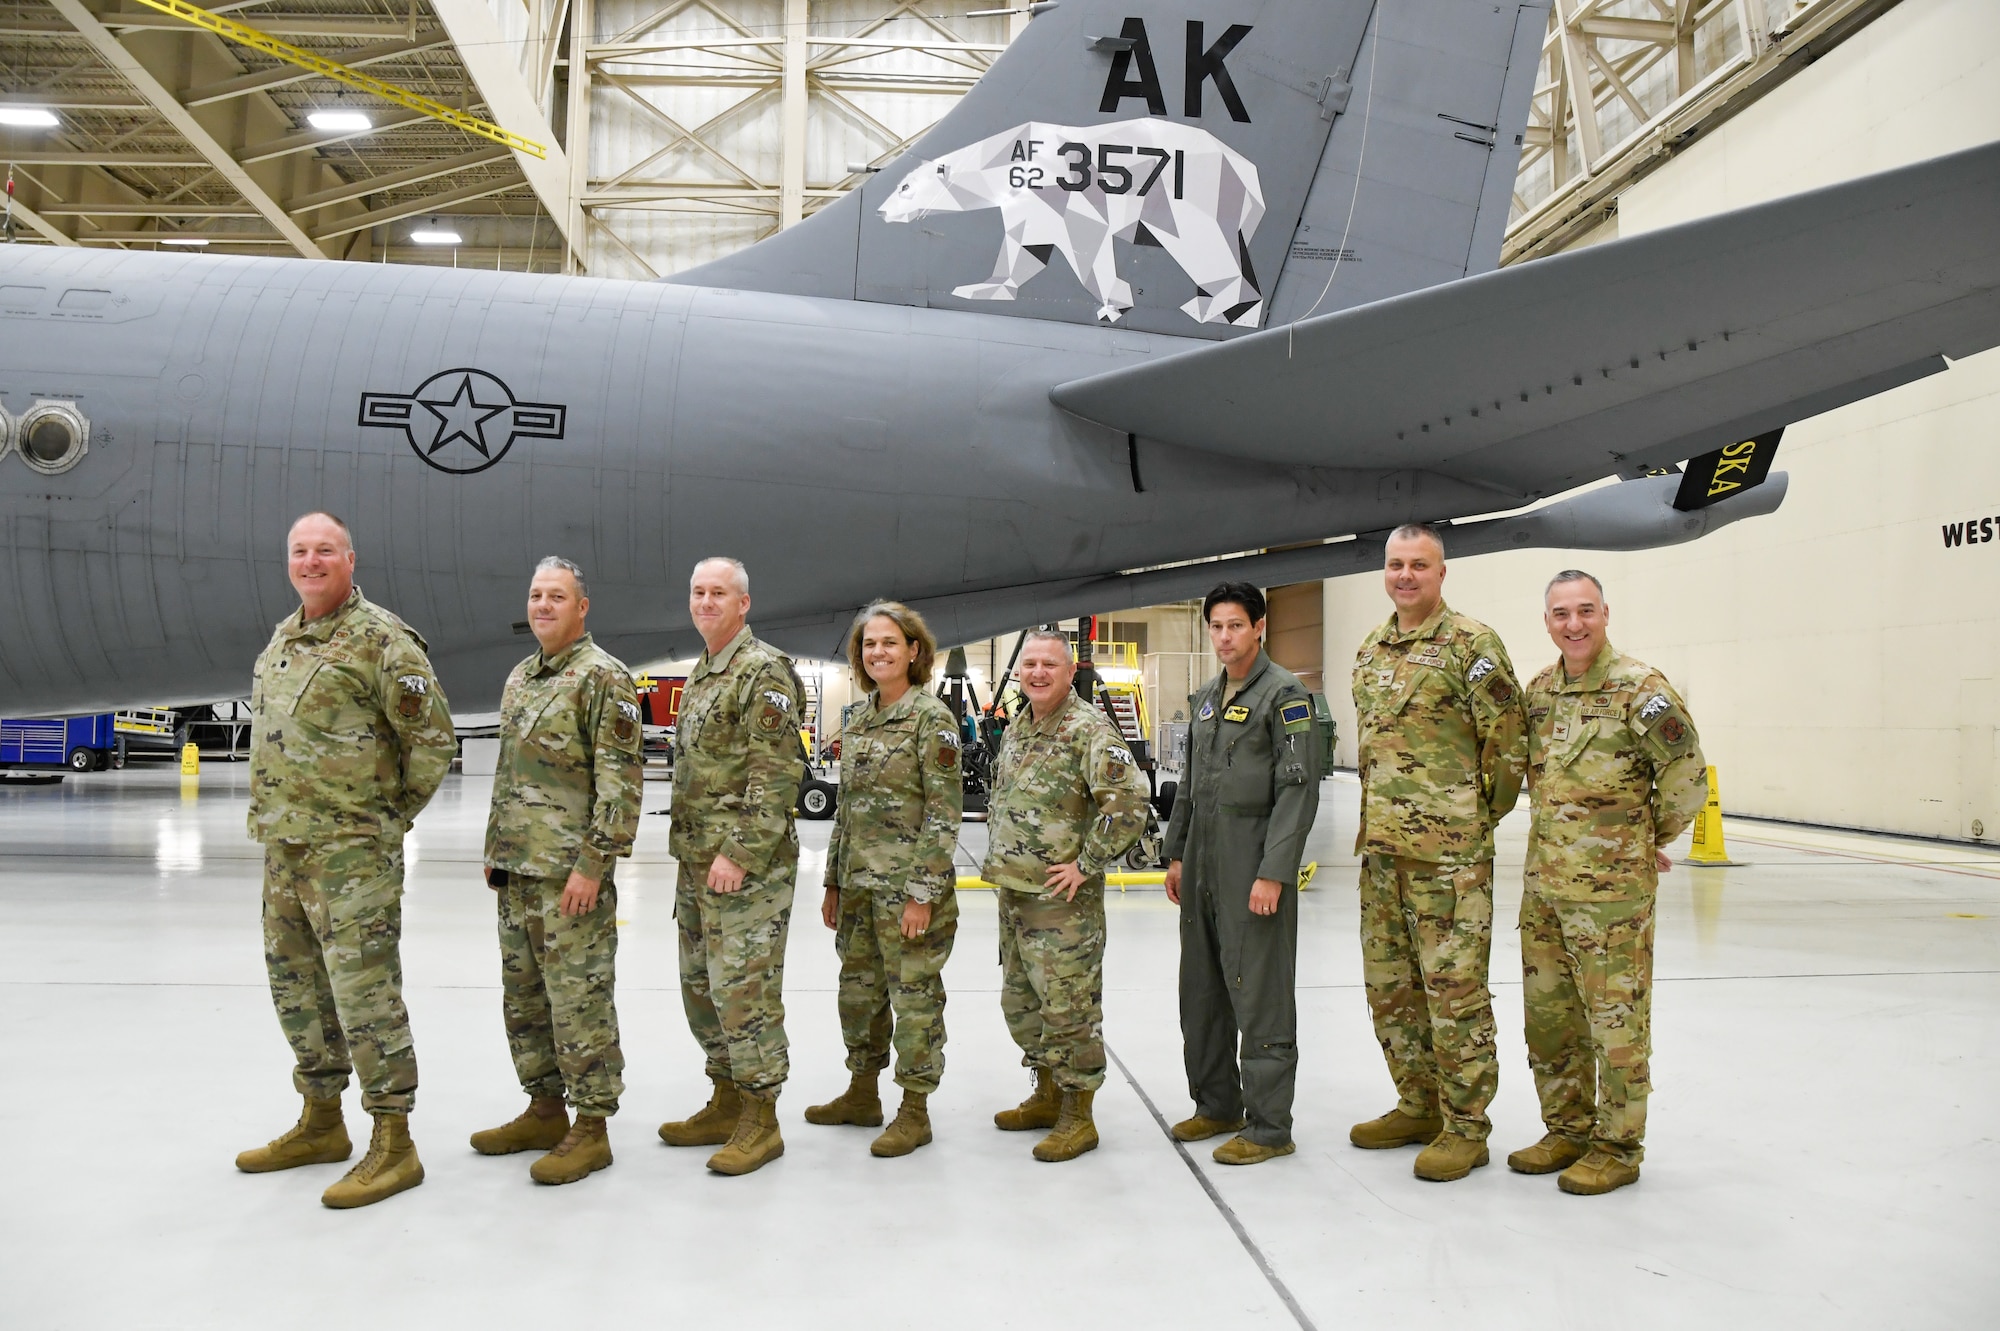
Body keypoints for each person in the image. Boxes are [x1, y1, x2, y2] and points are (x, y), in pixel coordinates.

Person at [234, 512, 455, 1209]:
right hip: (284, 850)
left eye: (323, 550)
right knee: (298, 993)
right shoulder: (284, 638)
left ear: (349, 559)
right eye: (299, 550)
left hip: (351, 856)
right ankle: (322, 1121)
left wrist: (384, 821)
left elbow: (433, 741)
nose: (310, 561)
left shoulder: (384, 641)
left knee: (365, 998)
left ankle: (394, 1142)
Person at [1509, 570, 1706, 1195]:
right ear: (1547, 622)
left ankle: (1619, 1146)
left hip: (1612, 896)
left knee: (1615, 1022)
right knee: (1550, 1018)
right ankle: (1566, 1129)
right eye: (1561, 613)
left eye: (1585, 611)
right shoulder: (1538, 691)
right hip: (1545, 887)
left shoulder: (1640, 690)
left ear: (1605, 613)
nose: (1574, 624)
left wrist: (1647, 840)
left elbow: (1687, 774)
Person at [1349, 522, 1526, 1182]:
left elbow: (1507, 745)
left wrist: (1473, 818)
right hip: (1382, 855)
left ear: (1441, 572)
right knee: (1392, 989)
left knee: (1454, 993)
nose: (1405, 575)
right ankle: (1418, 1103)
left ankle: (1466, 1125)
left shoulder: (1471, 644)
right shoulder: (1371, 647)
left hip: (1448, 860)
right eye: (1396, 564)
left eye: (1419, 564)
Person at [470, 557, 643, 1185]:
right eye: (536, 595)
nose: (543, 605)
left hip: (570, 877)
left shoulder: (603, 678)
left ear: (582, 608)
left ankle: (591, 1126)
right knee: (525, 1000)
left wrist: (594, 865)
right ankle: (544, 1109)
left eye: (557, 597)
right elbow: (510, 775)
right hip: (517, 872)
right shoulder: (522, 676)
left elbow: (620, 784)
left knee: (579, 1000)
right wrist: (497, 852)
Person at [657, 557, 806, 1176]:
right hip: (695, 864)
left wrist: (738, 854)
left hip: (743, 870)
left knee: (745, 992)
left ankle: (761, 1118)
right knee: (702, 991)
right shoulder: (703, 673)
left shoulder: (762, 671)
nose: (706, 602)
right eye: (698, 592)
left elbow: (776, 778)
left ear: (744, 603)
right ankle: (724, 1100)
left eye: (719, 593)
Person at [1162, 583, 1320, 1165]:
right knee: (1200, 988)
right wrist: (1176, 853)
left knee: (1259, 992)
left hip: (1251, 859)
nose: (1225, 637)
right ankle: (1217, 1105)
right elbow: (1188, 784)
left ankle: (1270, 1126)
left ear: (1259, 626)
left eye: (1235, 625)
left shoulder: (1285, 695)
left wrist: (1274, 871)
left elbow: (1297, 792)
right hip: (1202, 860)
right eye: (1216, 626)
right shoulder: (1205, 698)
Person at [982, 630, 1150, 1162]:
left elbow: (1129, 802)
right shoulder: (1020, 728)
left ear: (1069, 668)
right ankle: (1047, 1092)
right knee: (1022, 1000)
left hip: (1062, 904)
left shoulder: (1088, 729)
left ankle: (1079, 1113)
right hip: (1015, 892)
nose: (1036, 672)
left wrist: (1088, 863)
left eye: (1047, 665)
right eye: (1028, 664)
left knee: (1068, 1005)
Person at [804, 601, 964, 1157]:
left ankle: (915, 1109)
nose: (878, 652)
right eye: (869, 644)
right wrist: (832, 882)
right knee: (859, 997)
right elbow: (846, 810)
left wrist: (922, 895)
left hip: (907, 896)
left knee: (914, 1001)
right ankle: (861, 1092)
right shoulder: (863, 718)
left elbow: (944, 816)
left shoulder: (930, 719)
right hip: (859, 891)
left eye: (889, 643)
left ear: (913, 651)